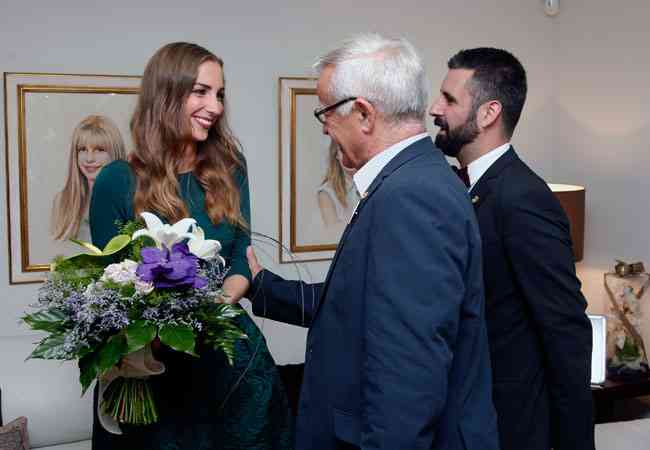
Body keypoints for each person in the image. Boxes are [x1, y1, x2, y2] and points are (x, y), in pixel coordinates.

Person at [246, 34, 499, 450]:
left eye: (326, 112)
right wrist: (261, 286)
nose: (324, 126)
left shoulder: (410, 196)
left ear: (363, 114)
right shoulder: (409, 182)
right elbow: (356, 305)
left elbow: (407, 378)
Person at [89, 42, 293, 450]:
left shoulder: (230, 167)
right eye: (201, 92)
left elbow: (241, 255)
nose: (215, 107)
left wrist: (215, 306)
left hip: (230, 364)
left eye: (220, 94)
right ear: (166, 94)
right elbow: (112, 288)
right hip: (151, 373)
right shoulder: (116, 180)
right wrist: (165, 327)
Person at [429, 47, 594, 450]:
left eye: (449, 99)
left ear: (489, 113)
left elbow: (566, 333)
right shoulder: (460, 188)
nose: (435, 108)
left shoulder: (523, 198)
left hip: (509, 429)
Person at [51, 115, 127, 242]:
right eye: (83, 149)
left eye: (99, 150)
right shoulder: (62, 202)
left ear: (115, 153)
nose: (89, 158)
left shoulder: (133, 201)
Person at [317, 139, 359, 227]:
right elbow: (331, 230)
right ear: (336, 155)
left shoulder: (371, 184)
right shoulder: (327, 192)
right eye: (343, 150)